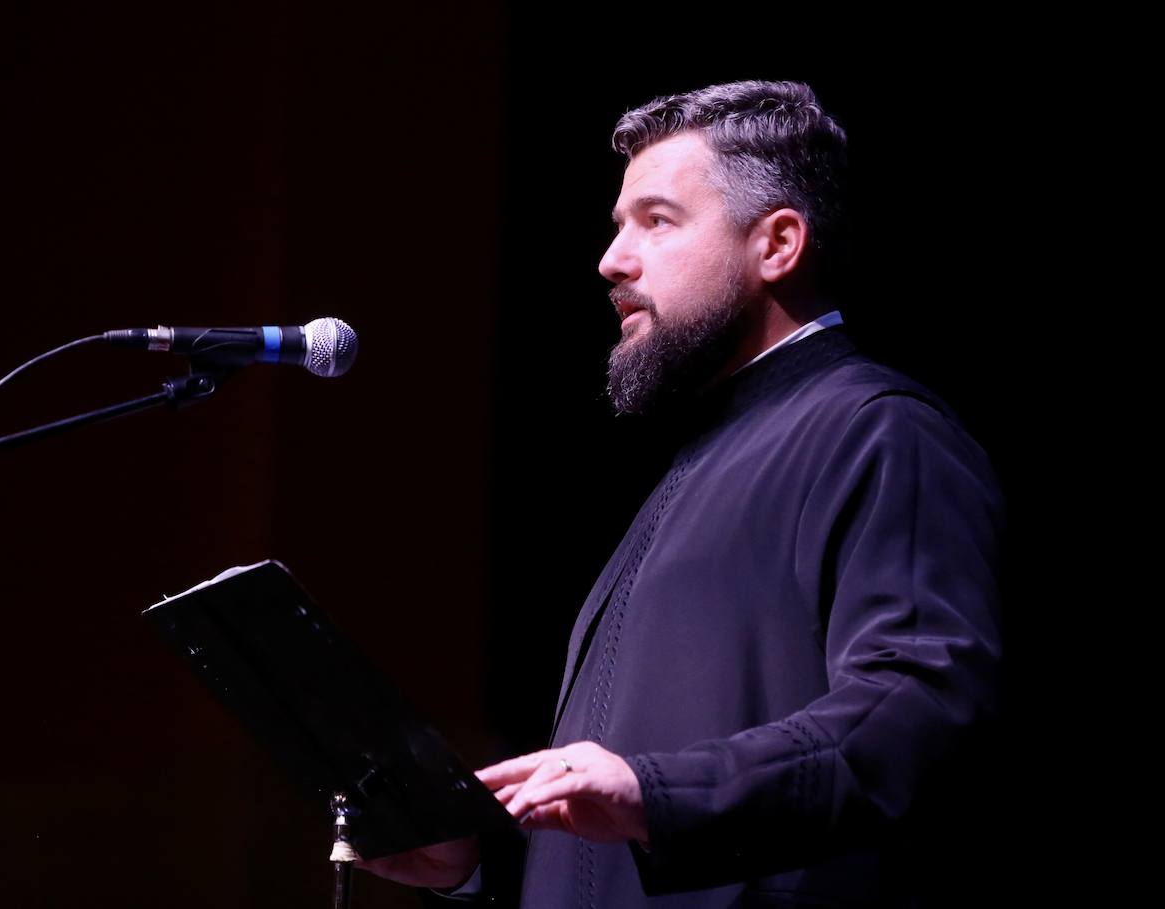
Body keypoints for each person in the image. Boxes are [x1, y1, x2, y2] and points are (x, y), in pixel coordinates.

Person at [361, 80, 1005, 907]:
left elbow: (919, 712)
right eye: (617, 225)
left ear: (777, 244)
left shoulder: (878, 430)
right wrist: (474, 860)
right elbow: (626, 823)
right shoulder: (701, 462)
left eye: (657, 221)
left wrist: (658, 793)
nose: (611, 260)